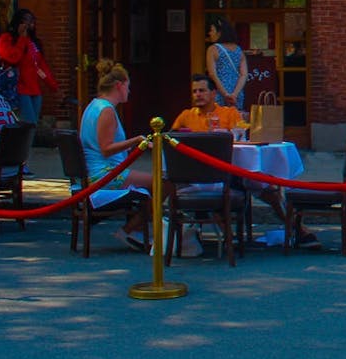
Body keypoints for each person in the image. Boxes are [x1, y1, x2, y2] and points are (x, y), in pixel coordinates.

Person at [171, 73, 320, 249]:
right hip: (200, 174)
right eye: (195, 91)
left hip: (234, 171)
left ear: (213, 93)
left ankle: (299, 229)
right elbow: (172, 140)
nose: (198, 95)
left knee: (268, 187)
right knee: (206, 187)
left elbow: (242, 133)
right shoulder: (186, 116)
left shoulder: (228, 113)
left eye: (202, 90)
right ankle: (228, 237)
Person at [79, 59, 161, 251]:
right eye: (127, 86)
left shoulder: (94, 105)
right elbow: (106, 148)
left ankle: (139, 227)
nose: (129, 91)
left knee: (153, 181)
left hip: (100, 171)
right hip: (106, 174)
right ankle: (130, 229)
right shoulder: (106, 111)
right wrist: (137, 141)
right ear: (119, 85)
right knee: (163, 183)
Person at [0, 8, 58, 125]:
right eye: (25, 21)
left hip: (34, 89)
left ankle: (26, 143)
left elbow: (40, 66)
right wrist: (21, 39)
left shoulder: (34, 42)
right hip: (18, 88)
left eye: (31, 21)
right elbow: (13, 57)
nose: (28, 25)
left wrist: (53, 85)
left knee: (32, 125)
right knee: (28, 124)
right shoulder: (6, 39)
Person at [205, 19, 248, 110]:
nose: (209, 33)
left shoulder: (212, 49)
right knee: (235, 120)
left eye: (212, 30)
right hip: (236, 92)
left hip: (219, 92)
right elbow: (244, 74)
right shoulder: (239, 50)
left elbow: (212, 74)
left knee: (218, 120)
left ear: (220, 32)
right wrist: (234, 94)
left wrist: (225, 94)